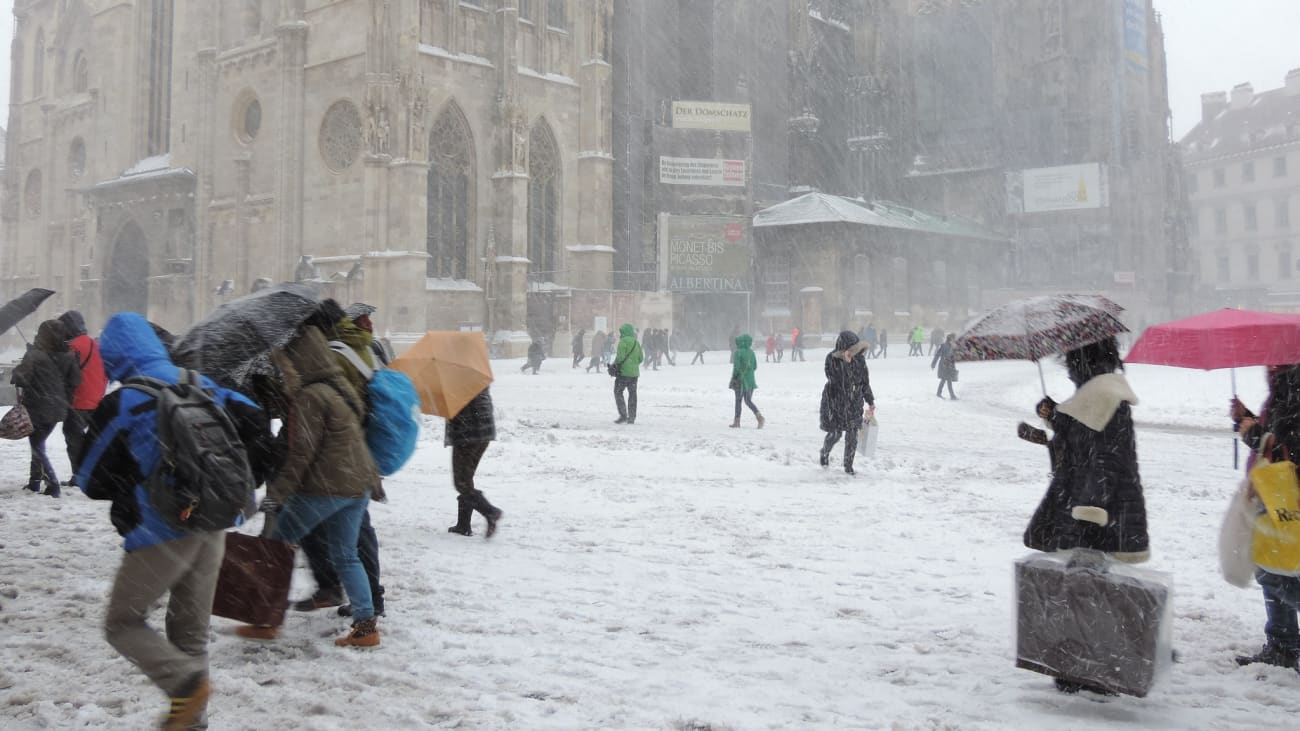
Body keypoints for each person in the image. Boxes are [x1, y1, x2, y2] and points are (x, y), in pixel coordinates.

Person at [77, 312, 274, 729]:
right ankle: (193, 721)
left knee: (123, 623)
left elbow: (91, 479)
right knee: (189, 633)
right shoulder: (203, 384)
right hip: (215, 520)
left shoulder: (125, 400)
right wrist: (236, 483)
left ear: (114, 356)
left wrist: (139, 481)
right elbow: (258, 423)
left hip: (162, 529)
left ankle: (185, 684)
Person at [1022, 336, 1148, 693]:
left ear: (1082, 361)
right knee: (1086, 587)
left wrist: (1091, 509)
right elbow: (1081, 443)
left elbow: (1105, 457)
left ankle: (1094, 671)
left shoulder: (1105, 397)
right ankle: (1084, 666)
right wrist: (1055, 419)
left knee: (1087, 588)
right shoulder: (1099, 395)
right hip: (1091, 505)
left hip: (1095, 511)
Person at [256, 325, 384, 647]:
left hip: (325, 487)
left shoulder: (311, 396)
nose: (283, 370)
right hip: (357, 487)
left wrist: (277, 494)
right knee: (346, 554)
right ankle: (366, 626)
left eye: (286, 363)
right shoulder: (338, 388)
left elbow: (302, 452)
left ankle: (265, 620)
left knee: (277, 547)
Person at [1232, 365, 1300, 669]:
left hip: (1288, 497)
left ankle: (1284, 643)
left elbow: (1288, 447)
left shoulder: (1291, 393)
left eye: (1275, 361)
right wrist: (1246, 418)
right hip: (1274, 495)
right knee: (1271, 568)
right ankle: (1282, 643)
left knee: (1281, 574)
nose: (1268, 366)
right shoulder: (1282, 393)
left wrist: (1255, 434)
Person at [10, 320, 80, 497]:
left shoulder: (35, 355)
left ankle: (53, 484)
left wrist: (21, 366)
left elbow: (22, 379)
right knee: (38, 443)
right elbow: (75, 381)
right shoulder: (69, 355)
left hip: (37, 407)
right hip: (58, 408)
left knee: (37, 446)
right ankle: (34, 482)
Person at [445, 387, 504, 538]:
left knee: (461, 483)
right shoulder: (473, 377)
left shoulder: (454, 383)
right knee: (466, 479)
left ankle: (490, 511)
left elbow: (455, 409)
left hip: (468, 435)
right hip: (484, 432)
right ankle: (463, 525)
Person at [58, 310, 107, 487]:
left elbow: (66, 374)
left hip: (78, 400)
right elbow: (105, 373)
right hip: (96, 399)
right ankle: (91, 473)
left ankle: (79, 475)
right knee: (87, 437)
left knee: (73, 436)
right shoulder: (96, 345)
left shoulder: (73, 347)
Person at [819, 330, 874, 475]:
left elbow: (864, 382)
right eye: (850, 350)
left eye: (855, 349)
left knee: (852, 435)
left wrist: (870, 400)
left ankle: (848, 466)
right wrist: (845, 363)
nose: (853, 352)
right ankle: (824, 452)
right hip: (835, 402)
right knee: (835, 434)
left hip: (854, 402)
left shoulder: (860, 360)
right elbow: (836, 381)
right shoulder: (831, 359)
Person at [730, 334, 764, 429]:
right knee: (748, 400)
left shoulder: (738, 352)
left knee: (738, 400)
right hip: (751, 381)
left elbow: (736, 368)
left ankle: (737, 421)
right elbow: (755, 367)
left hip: (740, 380)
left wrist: (734, 377)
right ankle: (759, 417)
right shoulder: (752, 353)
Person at [612, 323, 643, 424]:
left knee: (618, 392)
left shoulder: (623, 342)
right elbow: (641, 358)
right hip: (634, 374)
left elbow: (620, 357)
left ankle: (623, 414)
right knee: (633, 394)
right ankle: (632, 417)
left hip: (623, 373)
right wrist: (633, 364)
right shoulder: (636, 342)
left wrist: (614, 365)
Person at [931, 333, 959, 400]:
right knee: (948, 380)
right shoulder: (944, 346)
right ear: (951, 339)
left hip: (949, 365)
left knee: (944, 379)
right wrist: (933, 364)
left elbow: (954, 356)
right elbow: (937, 355)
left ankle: (939, 393)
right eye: (954, 338)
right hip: (944, 365)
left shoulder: (953, 346)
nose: (955, 339)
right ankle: (952, 395)